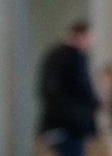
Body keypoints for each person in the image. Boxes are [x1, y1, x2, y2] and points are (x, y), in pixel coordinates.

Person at [37, 21, 100, 156]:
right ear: (81, 36)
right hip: (71, 126)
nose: (91, 43)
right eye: (90, 38)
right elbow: (82, 90)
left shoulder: (54, 54)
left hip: (56, 123)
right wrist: (96, 103)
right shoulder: (73, 57)